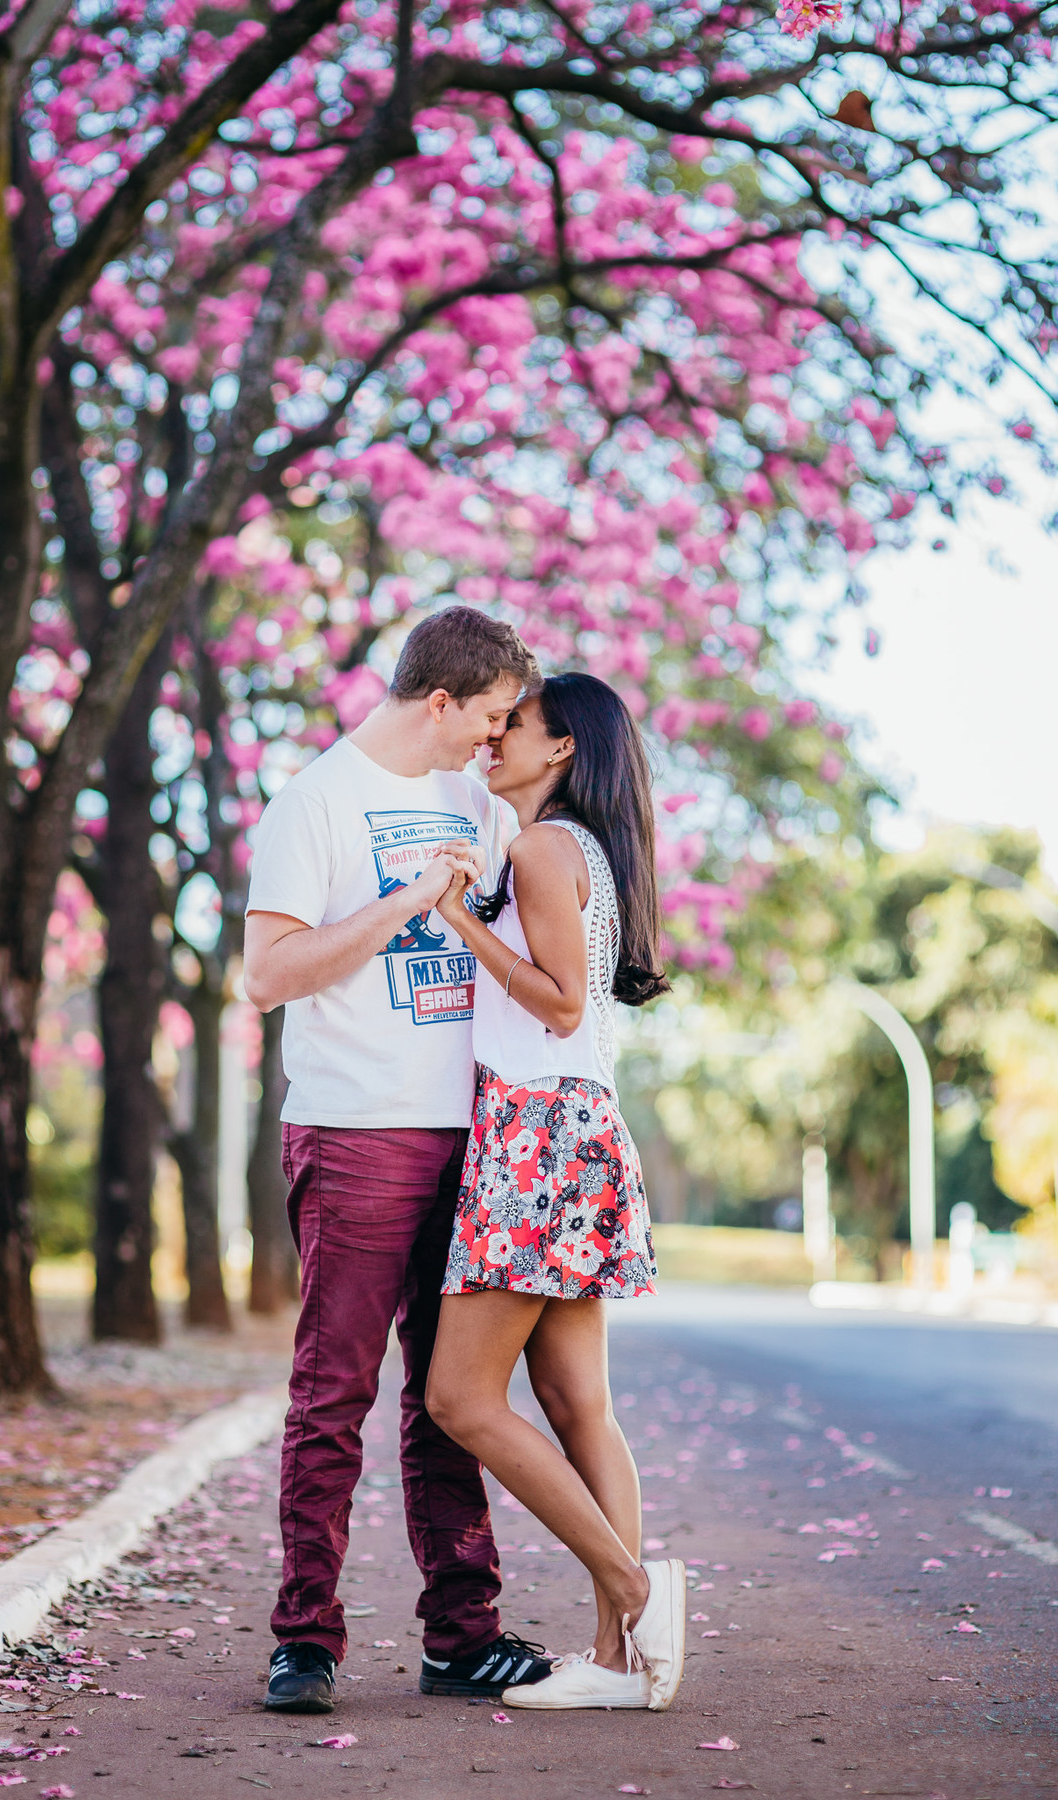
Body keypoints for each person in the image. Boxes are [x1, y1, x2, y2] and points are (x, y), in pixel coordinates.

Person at [243, 606, 553, 1714]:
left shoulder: (478, 801)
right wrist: (405, 899)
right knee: (334, 1391)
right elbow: (267, 976)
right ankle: (304, 1643)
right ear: (438, 703)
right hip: (355, 1128)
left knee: (450, 1399)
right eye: (485, 715)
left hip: (471, 1134)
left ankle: (459, 1636)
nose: (493, 735)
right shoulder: (312, 803)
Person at [425, 673, 687, 1711]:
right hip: (577, 1128)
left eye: (514, 727)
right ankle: (621, 1663)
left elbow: (560, 1001)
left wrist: (457, 920)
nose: (493, 740)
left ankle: (634, 1591)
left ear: (563, 748)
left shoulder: (540, 848)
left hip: (537, 1133)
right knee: (581, 1407)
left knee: (458, 1398)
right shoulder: (583, 851)